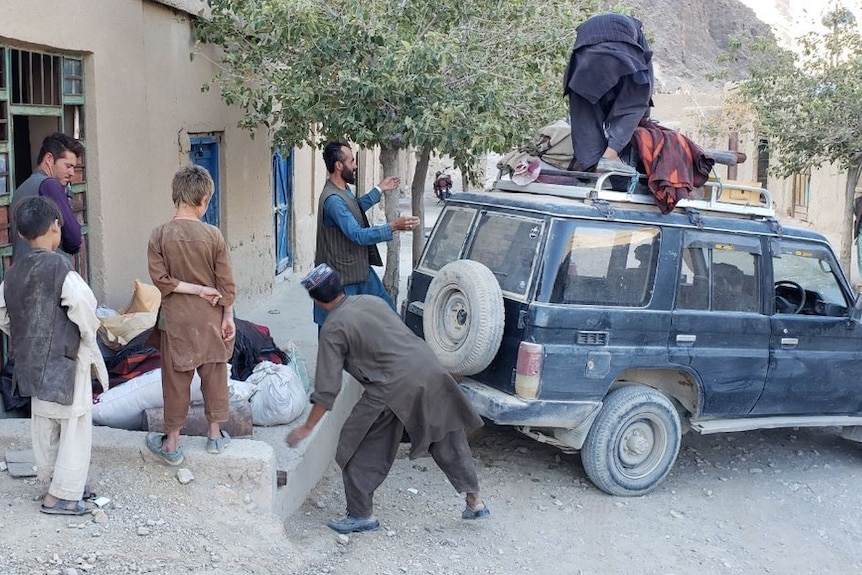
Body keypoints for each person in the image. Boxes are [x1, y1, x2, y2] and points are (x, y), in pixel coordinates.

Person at [287, 264, 490, 534]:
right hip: (431, 368)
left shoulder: (333, 328)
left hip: (391, 386)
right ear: (341, 285)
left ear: (315, 300)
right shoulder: (371, 301)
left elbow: (327, 390)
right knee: (446, 435)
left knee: (355, 445)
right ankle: (475, 501)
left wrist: (306, 427)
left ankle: (361, 515)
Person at [0, 196, 107, 515]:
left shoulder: (13, 272)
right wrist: (89, 335)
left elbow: (4, 314)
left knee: (45, 424)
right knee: (74, 425)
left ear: (21, 235)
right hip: (66, 359)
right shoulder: (61, 267)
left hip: (31, 364)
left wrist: (24, 335)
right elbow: (84, 307)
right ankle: (63, 495)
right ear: (56, 227)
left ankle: (54, 482)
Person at [145, 165, 237, 465]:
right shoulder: (214, 236)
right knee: (214, 375)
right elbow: (226, 285)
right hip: (210, 319)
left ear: (176, 197)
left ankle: (172, 444)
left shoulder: (159, 235)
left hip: (176, 322)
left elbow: (162, 281)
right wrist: (227, 316)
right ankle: (213, 436)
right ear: (204, 200)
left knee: (175, 381)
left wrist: (192, 290)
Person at [313, 141, 420, 326]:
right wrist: (393, 226)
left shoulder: (343, 191)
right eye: (352, 161)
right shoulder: (333, 200)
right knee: (336, 332)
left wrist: (379, 189)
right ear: (339, 166)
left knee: (387, 315)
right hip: (341, 279)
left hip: (359, 270)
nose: (355, 166)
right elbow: (358, 235)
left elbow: (355, 208)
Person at [562, 13, 654, 174]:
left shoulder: (592, 26)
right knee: (632, 105)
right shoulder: (636, 30)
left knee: (585, 115)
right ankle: (610, 156)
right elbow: (646, 74)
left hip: (585, 62)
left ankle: (591, 167)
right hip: (622, 54)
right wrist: (645, 113)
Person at [10, 132, 84, 262]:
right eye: (68, 166)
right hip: (48, 272)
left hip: (22, 271)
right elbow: (74, 239)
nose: (72, 173)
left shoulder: (22, 188)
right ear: (49, 158)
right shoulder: (49, 185)